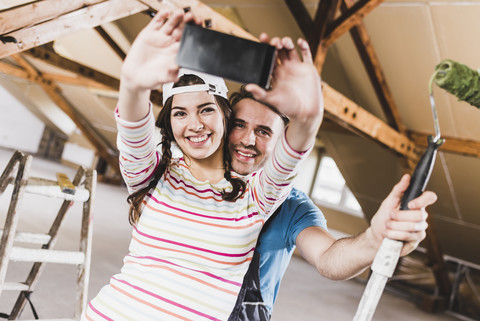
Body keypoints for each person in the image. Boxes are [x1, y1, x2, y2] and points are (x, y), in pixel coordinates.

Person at [83, 8, 324, 321]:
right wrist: (132, 84)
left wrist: (309, 118)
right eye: (180, 113)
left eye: (206, 110)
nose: (194, 124)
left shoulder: (256, 196)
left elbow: (291, 156)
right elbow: (132, 131)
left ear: (226, 114)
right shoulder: (153, 176)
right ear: (169, 123)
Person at [226, 40, 437, 320]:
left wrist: (375, 239)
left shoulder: (292, 207)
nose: (248, 140)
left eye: (264, 131)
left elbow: (329, 259)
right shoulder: (191, 181)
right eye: (239, 125)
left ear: (282, 140)